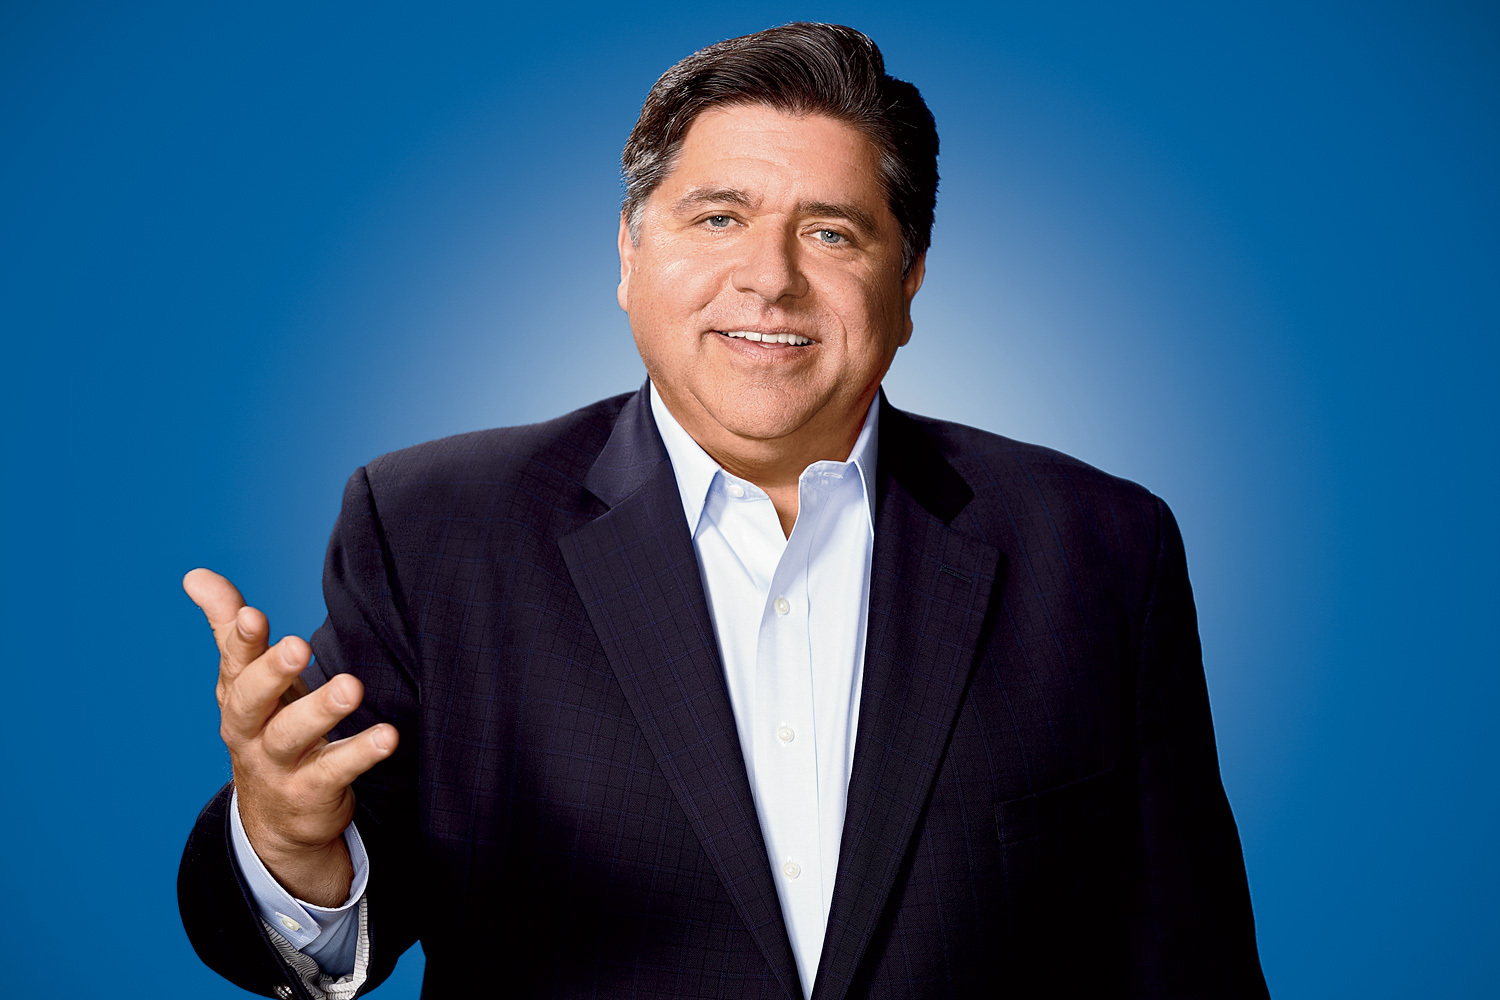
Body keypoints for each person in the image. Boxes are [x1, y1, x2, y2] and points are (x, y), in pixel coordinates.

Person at [178, 22, 1269, 1000]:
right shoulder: (432, 528)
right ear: (629, 252)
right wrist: (288, 847)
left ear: (908, 282)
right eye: (718, 217)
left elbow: (1190, 959)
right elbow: (326, 907)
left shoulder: (1099, 547)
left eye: (832, 233)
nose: (770, 278)